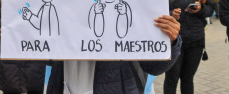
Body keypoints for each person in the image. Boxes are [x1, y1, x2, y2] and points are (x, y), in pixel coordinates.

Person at [46, 16, 182, 93]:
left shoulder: (134, 1)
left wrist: (169, 42)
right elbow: (47, 58)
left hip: (118, 86)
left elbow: (154, 67)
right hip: (66, 84)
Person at [164, 0, 213, 94]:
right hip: (175, 42)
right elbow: (155, 14)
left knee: (188, 79)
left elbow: (211, 9)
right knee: (172, 80)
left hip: (196, 41)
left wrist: (200, 10)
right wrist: (171, 15)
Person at [0, 0, 48, 94]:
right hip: (9, 56)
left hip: (36, 56)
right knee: (11, 87)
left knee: (36, 86)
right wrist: (7, 26)